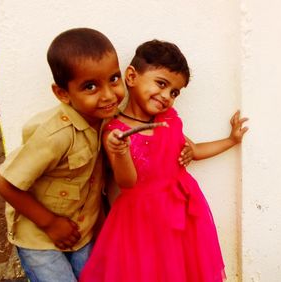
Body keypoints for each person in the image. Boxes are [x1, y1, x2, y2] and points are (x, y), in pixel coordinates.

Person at [80, 39, 249, 282]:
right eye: (161, 84)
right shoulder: (115, 132)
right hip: (142, 223)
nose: (167, 96)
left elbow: (195, 150)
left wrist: (231, 140)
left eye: (174, 92)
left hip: (182, 217)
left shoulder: (169, 120)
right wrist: (121, 152)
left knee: (184, 270)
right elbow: (127, 183)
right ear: (131, 76)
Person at [0, 28, 132, 282]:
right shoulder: (56, 134)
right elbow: (3, 182)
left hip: (81, 231)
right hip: (40, 237)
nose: (110, 95)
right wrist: (50, 224)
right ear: (62, 93)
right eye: (90, 86)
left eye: (114, 78)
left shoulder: (105, 121)